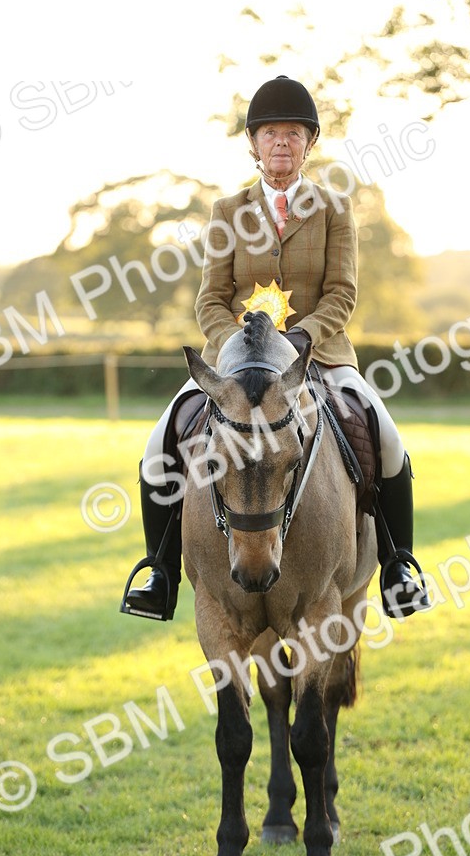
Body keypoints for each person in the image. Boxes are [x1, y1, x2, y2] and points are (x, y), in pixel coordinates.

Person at [121, 75, 430, 622]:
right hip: (235, 366)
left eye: (293, 133)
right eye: (270, 133)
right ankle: (160, 572)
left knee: (386, 436)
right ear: (254, 144)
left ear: (309, 144)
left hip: (320, 356)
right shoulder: (227, 211)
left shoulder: (334, 208)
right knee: (157, 445)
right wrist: (238, 347)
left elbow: (342, 293)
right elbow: (210, 299)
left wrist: (300, 341)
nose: (281, 142)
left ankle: (398, 567)